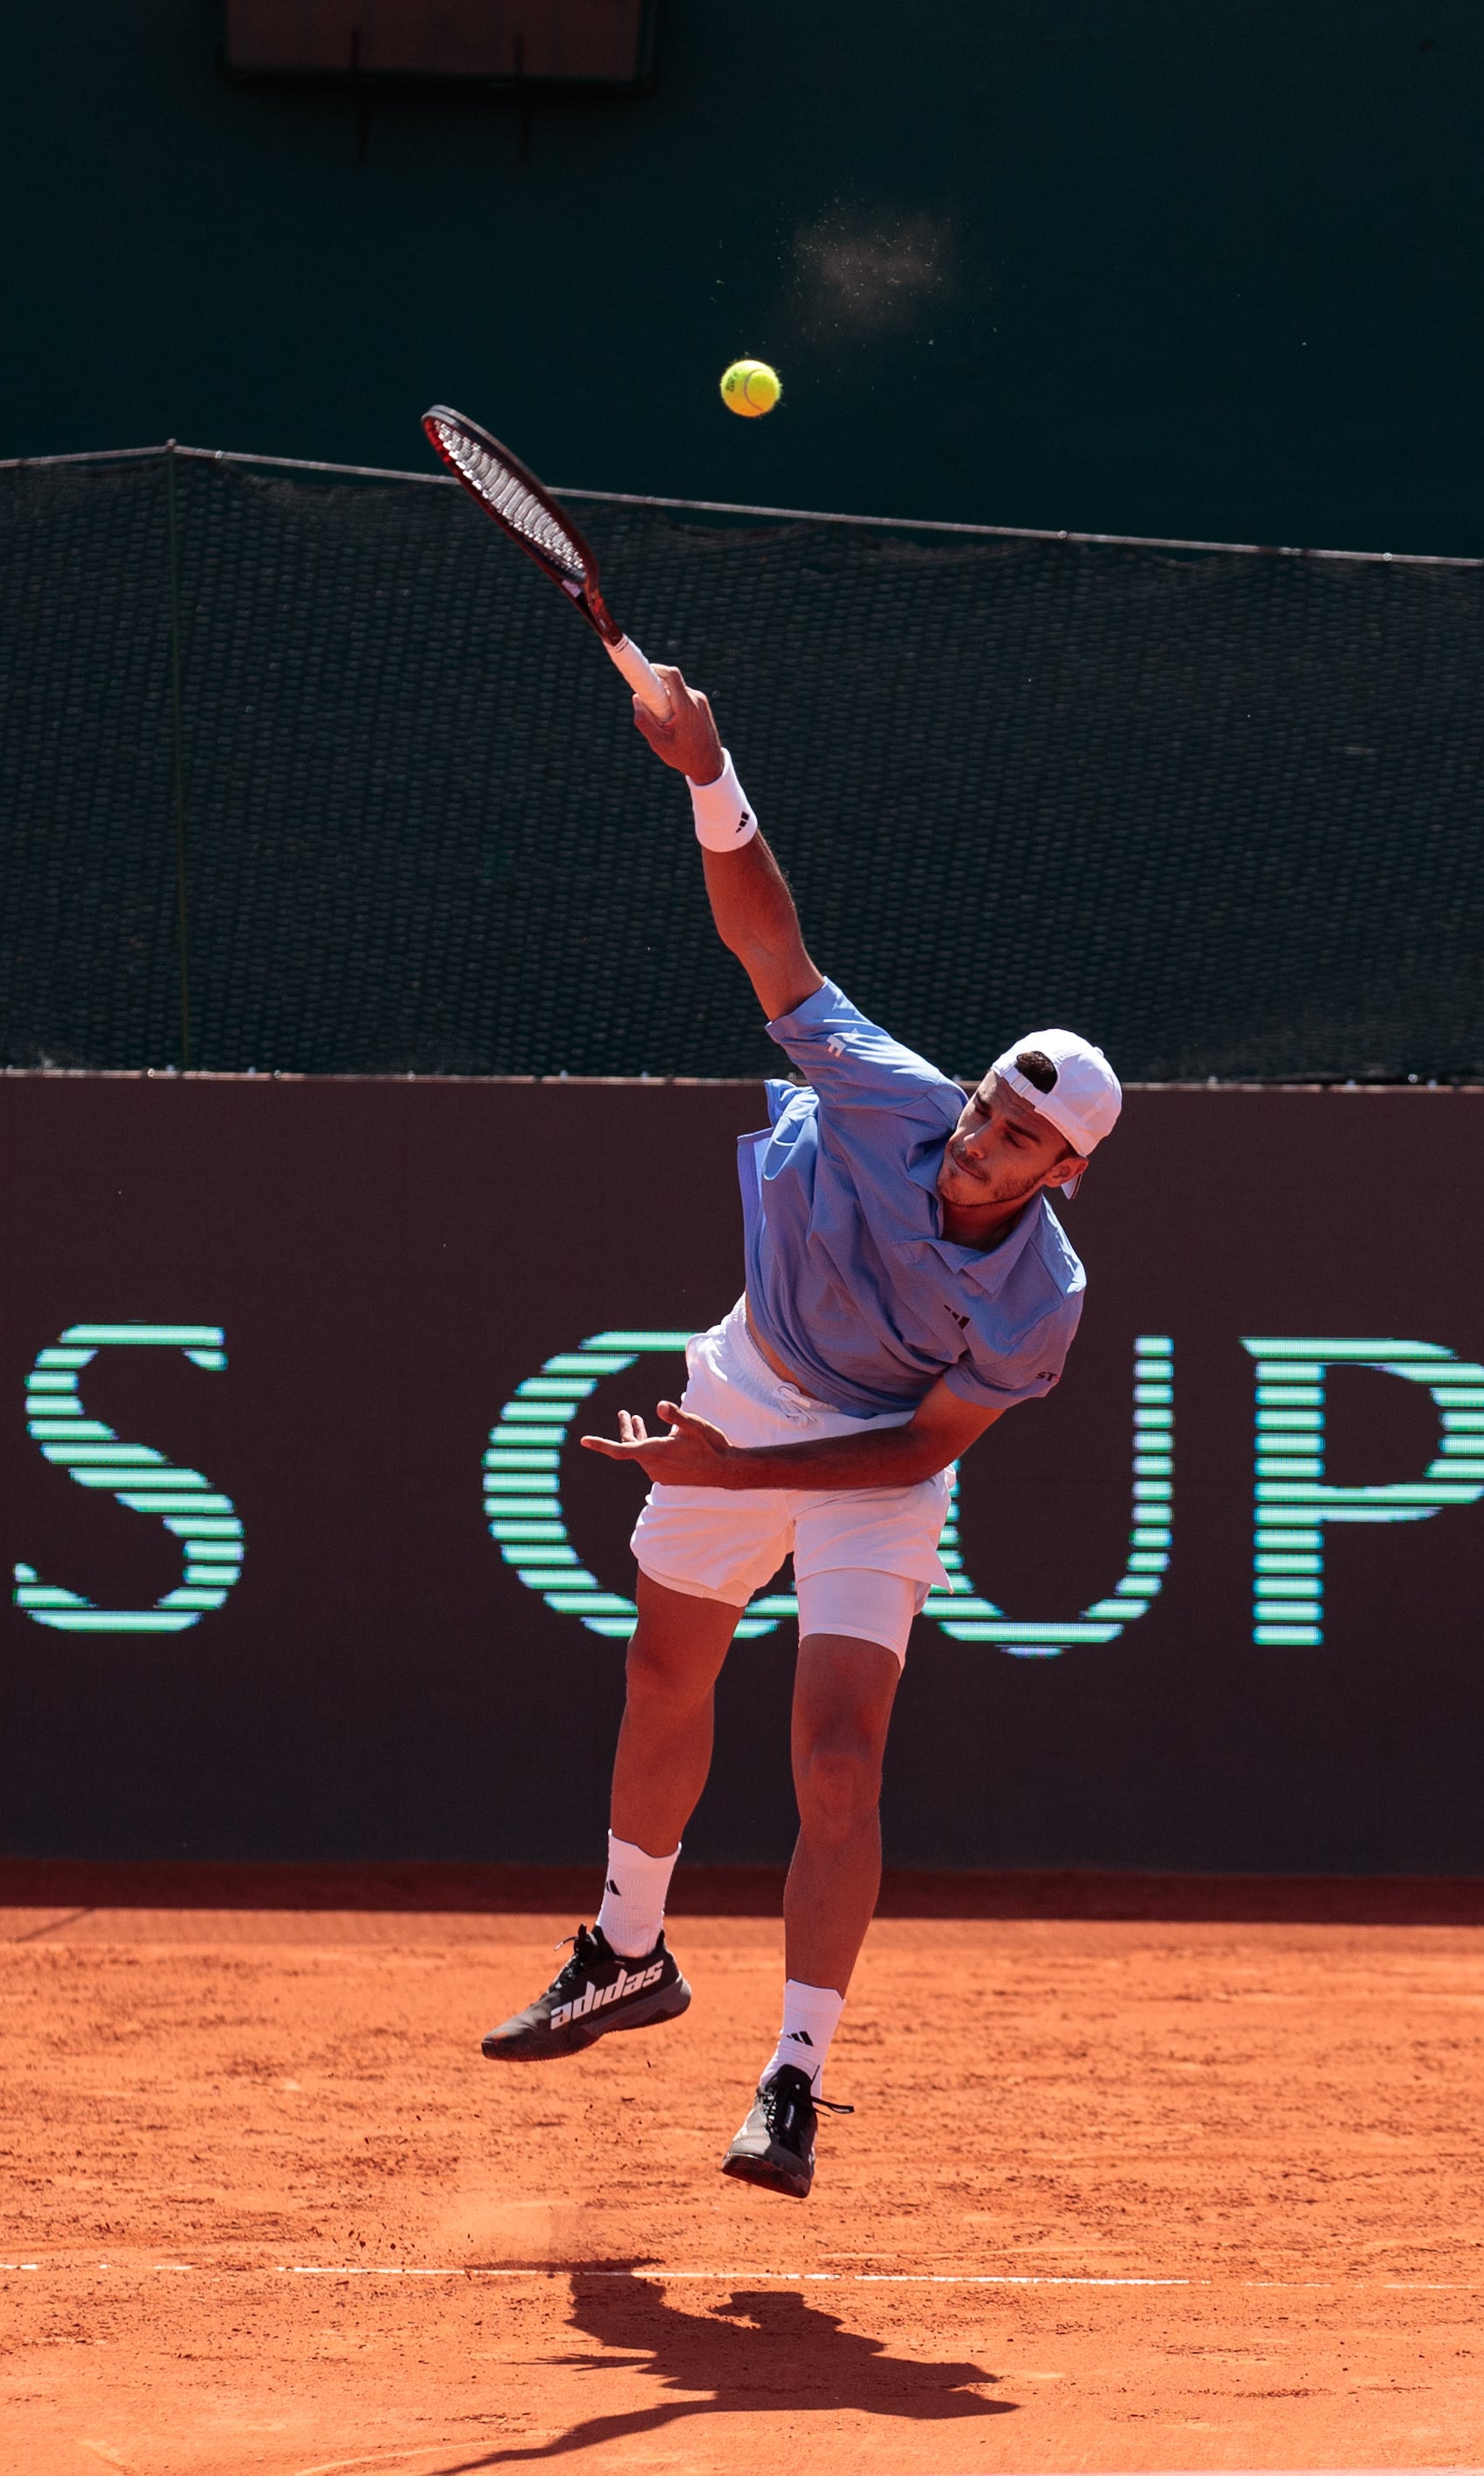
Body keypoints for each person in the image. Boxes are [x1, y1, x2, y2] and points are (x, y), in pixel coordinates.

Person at [478, 661, 1121, 2201]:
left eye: (1020, 1135)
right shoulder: (885, 1095)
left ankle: (794, 2080)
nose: (980, 1135)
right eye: (984, 1106)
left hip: (872, 1454)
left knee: (837, 1762)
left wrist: (732, 1471)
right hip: (757, 1379)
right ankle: (626, 1947)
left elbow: (912, 1458)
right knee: (662, 1675)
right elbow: (769, 937)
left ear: (1062, 1173)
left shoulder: (1041, 1300)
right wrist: (710, 775)